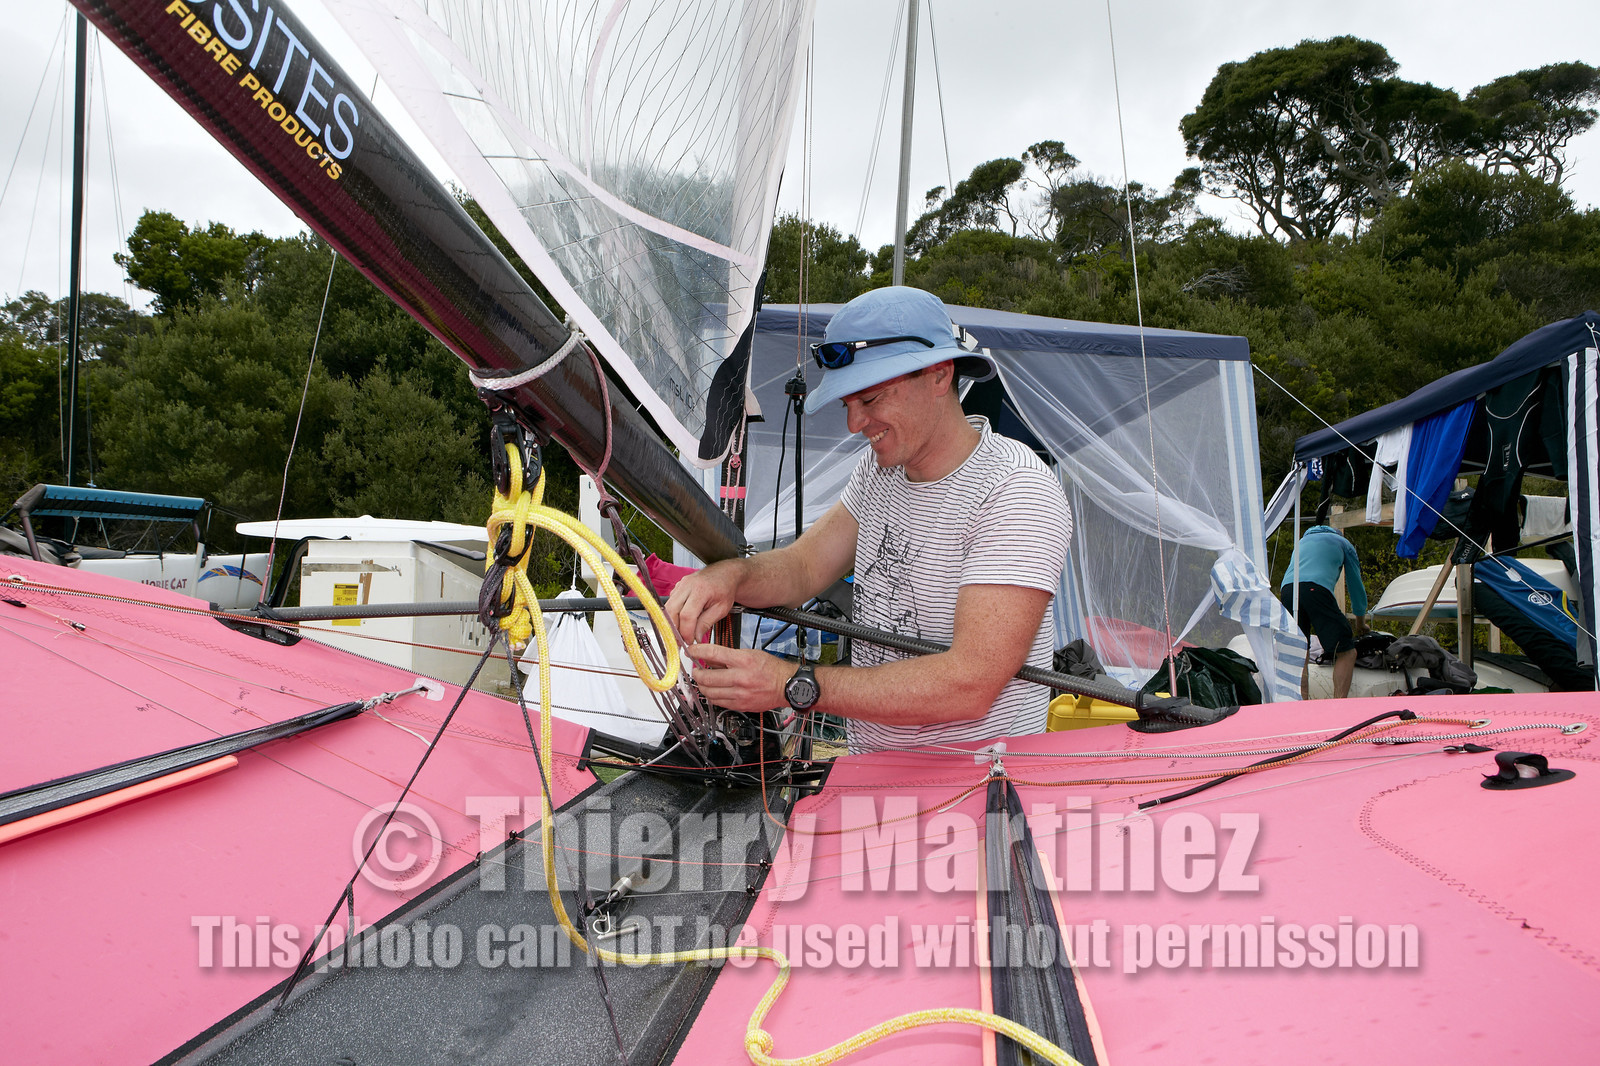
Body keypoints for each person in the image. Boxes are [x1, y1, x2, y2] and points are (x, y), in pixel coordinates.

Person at [664, 286, 1072, 753]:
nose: (855, 424)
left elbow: (970, 683)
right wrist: (731, 576)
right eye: (847, 404)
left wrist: (793, 684)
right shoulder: (881, 471)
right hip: (870, 774)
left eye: (871, 399)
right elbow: (803, 568)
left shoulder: (1015, 490)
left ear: (939, 376)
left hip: (975, 794)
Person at [1279, 506, 1369, 699]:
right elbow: (1356, 588)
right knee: (1346, 651)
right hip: (1315, 589)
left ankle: (1299, 704)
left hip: (1287, 591)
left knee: (1299, 649)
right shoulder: (1343, 543)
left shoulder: (1302, 542)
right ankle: (1338, 706)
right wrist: (1361, 623)